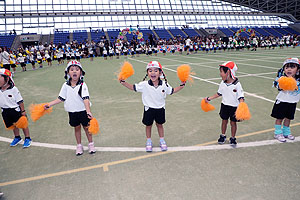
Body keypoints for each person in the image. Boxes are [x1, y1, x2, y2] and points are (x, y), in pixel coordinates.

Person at [119, 61, 185, 152]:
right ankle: (148, 141)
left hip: (160, 109)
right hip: (148, 109)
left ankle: (162, 140)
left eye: (155, 71)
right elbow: (133, 87)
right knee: (148, 125)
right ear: (147, 73)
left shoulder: (164, 84)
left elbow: (172, 91)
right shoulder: (144, 84)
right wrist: (123, 83)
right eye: (150, 71)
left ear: (160, 73)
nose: (153, 73)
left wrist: (181, 86)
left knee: (160, 125)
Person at [44, 60, 96, 156]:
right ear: (68, 73)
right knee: (76, 128)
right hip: (72, 112)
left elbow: (86, 99)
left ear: (81, 72)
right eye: (72, 69)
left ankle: (91, 144)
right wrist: (49, 104)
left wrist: (88, 111)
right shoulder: (65, 85)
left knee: (87, 128)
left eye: (77, 69)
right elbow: (61, 98)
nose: (74, 71)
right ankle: (79, 145)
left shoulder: (82, 85)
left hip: (83, 111)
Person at [205, 61, 245, 145]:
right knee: (224, 121)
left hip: (234, 107)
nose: (220, 74)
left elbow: (241, 96)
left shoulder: (237, 84)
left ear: (229, 72)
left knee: (233, 123)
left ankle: (233, 138)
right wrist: (209, 98)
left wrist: (242, 105)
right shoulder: (222, 83)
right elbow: (219, 93)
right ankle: (223, 135)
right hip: (224, 105)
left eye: (221, 72)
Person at [0, 69, 32, 148]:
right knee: (13, 125)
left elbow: (20, 101)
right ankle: (17, 137)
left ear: (7, 78)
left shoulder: (13, 89)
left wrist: (23, 111)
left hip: (15, 110)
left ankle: (27, 138)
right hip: (5, 111)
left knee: (23, 124)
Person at [271, 58, 300, 142]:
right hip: (282, 102)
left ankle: (286, 132)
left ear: (298, 69)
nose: (289, 69)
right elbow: (277, 85)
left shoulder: (298, 81)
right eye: (286, 67)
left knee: (288, 118)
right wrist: (280, 82)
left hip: (293, 102)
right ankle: (277, 133)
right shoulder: (282, 78)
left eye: (292, 67)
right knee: (279, 118)